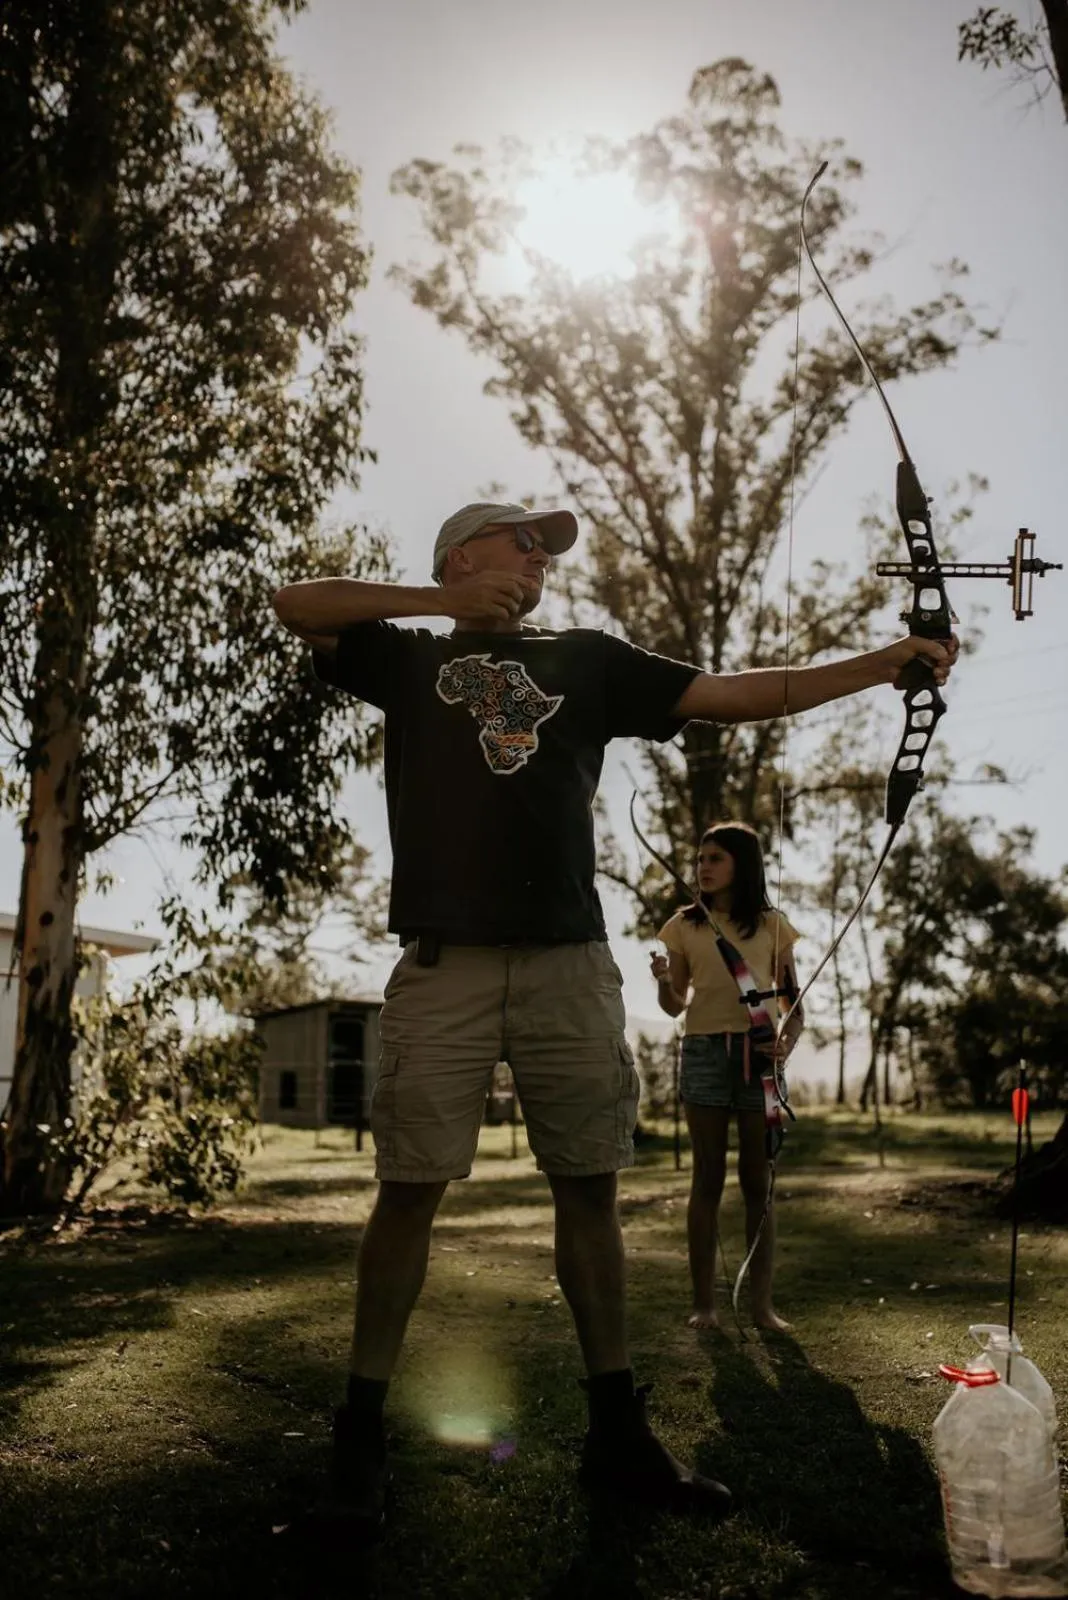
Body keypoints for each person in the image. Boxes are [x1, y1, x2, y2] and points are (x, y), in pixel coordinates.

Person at [271, 498, 958, 1539]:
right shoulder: (403, 658)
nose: (540, 559)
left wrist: (884, 662)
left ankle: (618, 1440)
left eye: (549, 551)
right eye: (521, 542)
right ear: (462, 552)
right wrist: (441, 603)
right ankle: (358, 1444)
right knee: (407, 1195)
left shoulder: (586, 661)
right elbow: (295, 603)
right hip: (443, 966)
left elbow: (736, 693)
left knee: (588, 1192)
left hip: (568, 967)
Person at [651, 823, 801, 1334]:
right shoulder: (683, 926)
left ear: (743, 863)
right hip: (705, 1054)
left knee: (758, 1183)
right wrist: (660, 981)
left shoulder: (772, 924)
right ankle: (705, 1307)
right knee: (707, 1178)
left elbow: (793, 1005)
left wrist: (785, 1042)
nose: (703, 867)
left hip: (759, 1060)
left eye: (715, 857)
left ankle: (762, 1309)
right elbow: (675, 1004)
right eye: (699, 859)